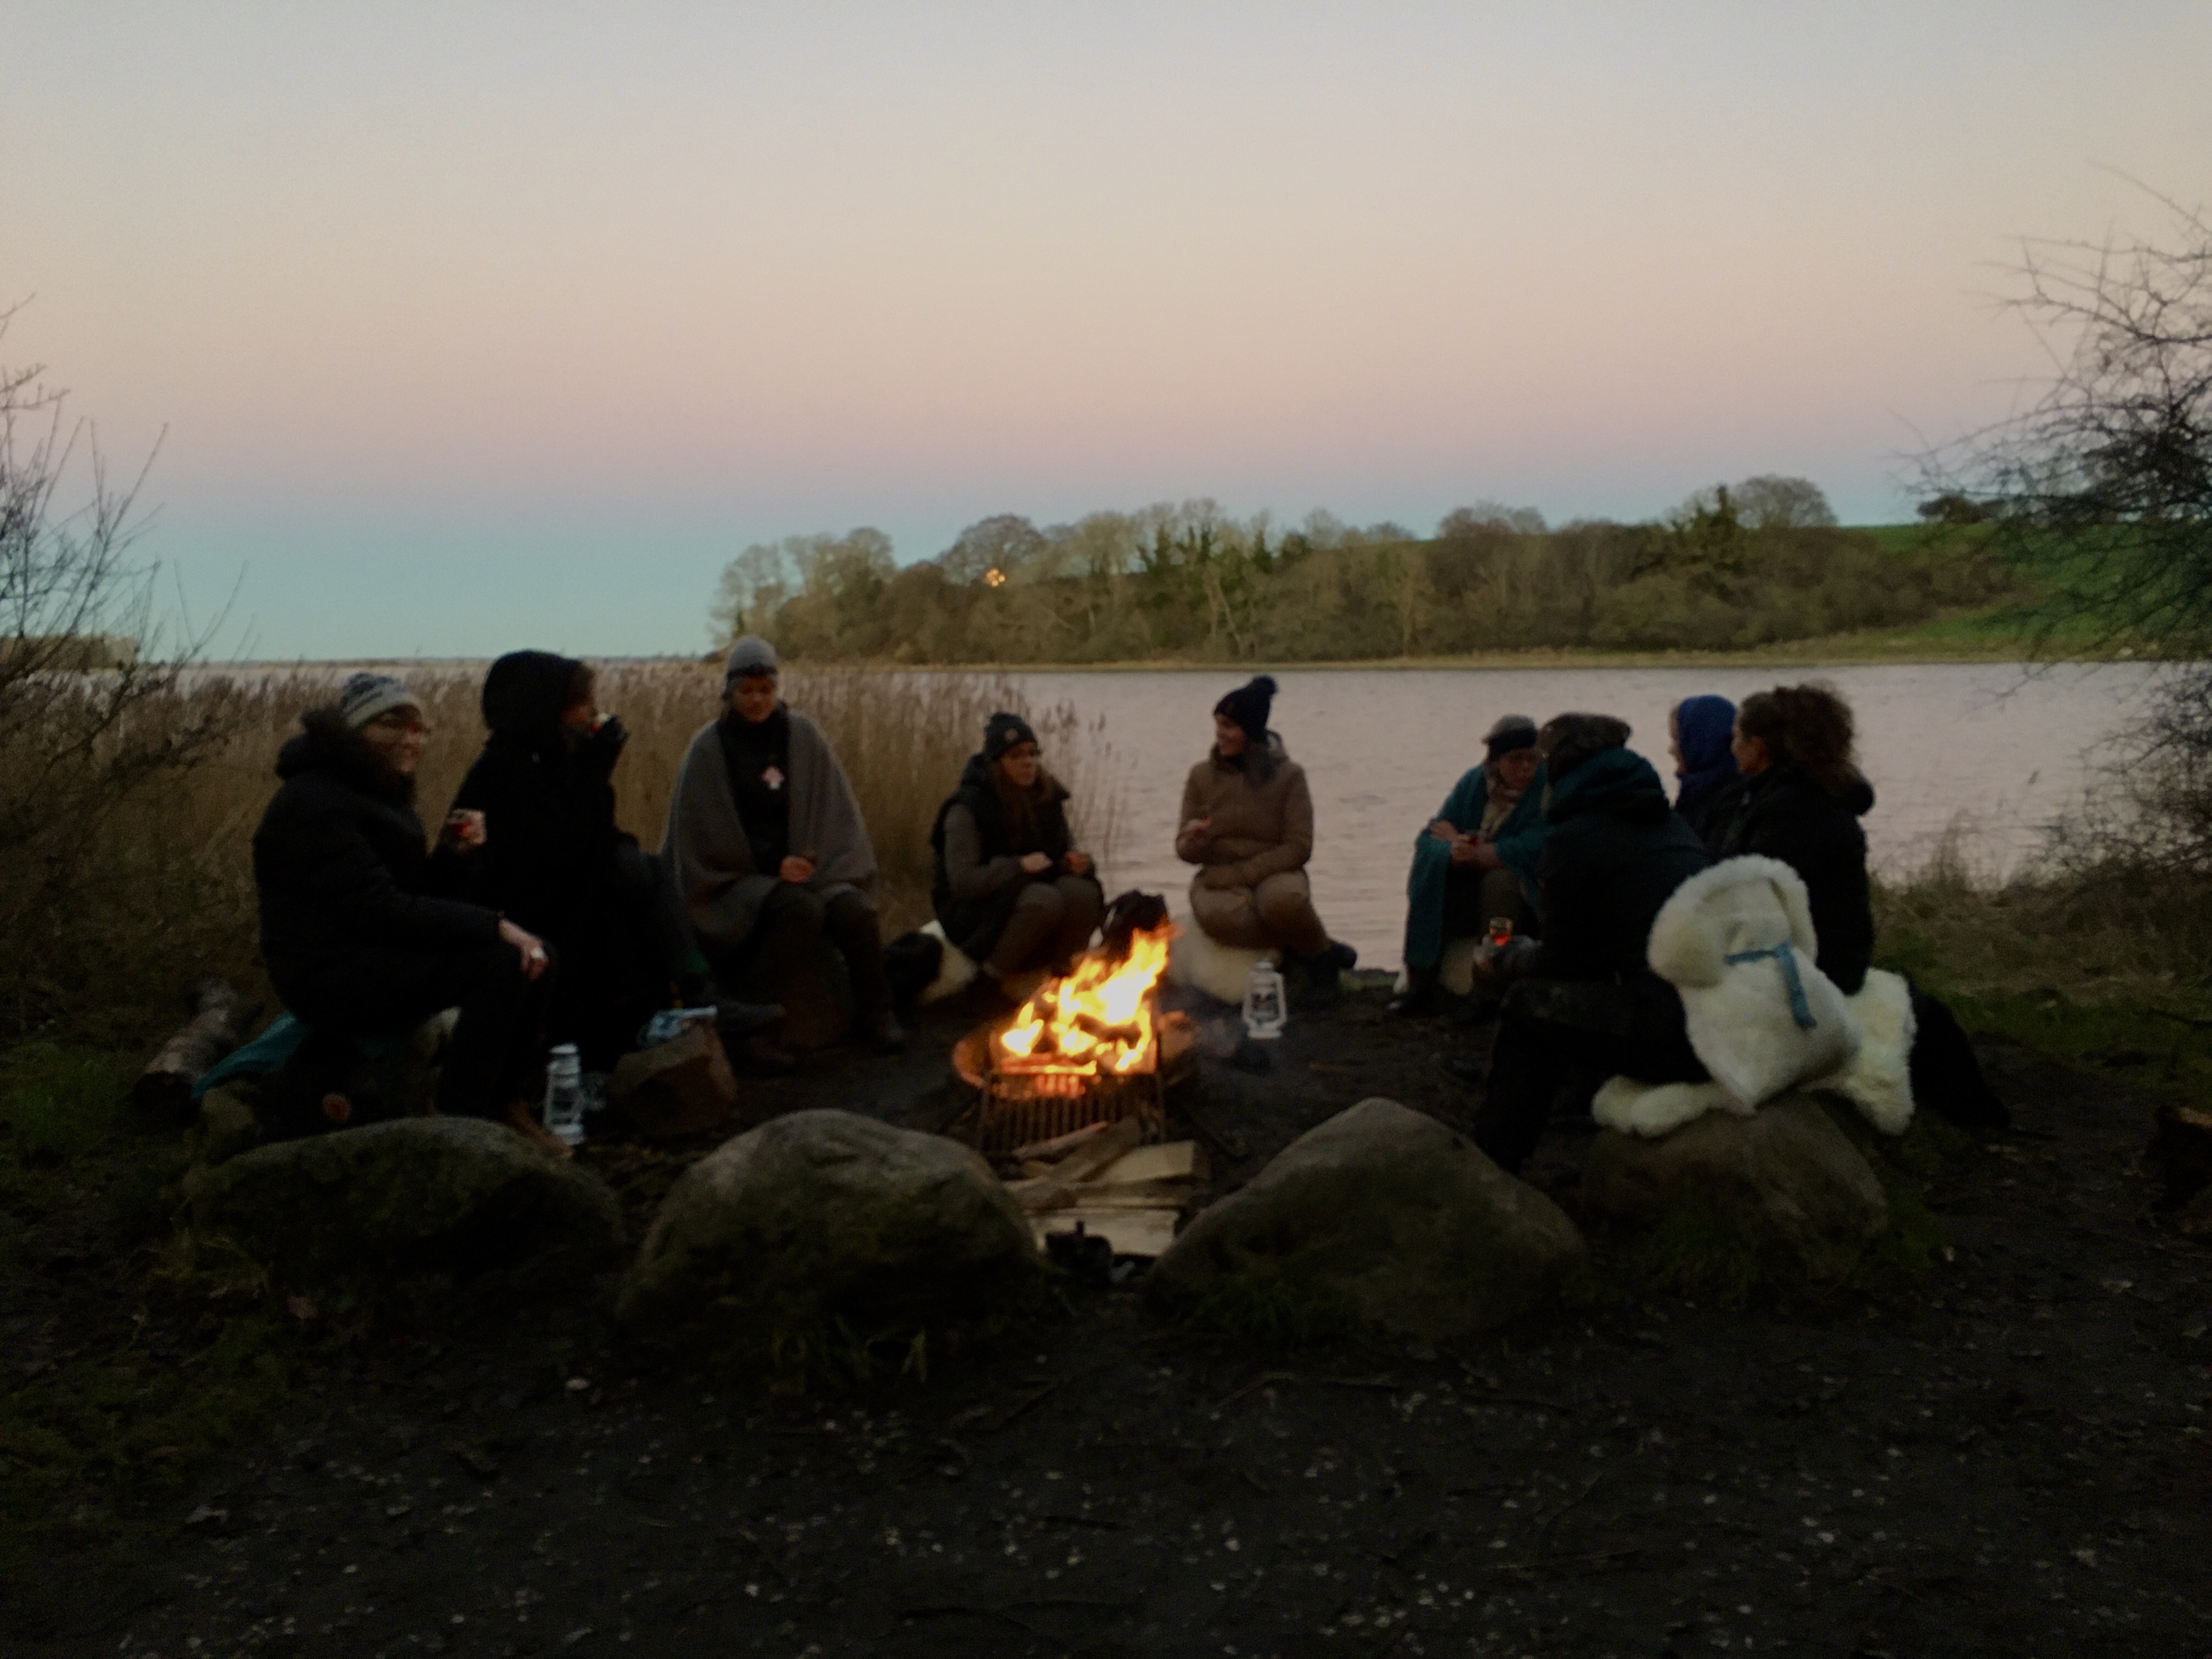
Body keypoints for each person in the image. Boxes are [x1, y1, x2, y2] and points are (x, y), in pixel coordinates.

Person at [252, 672, 562, 1152]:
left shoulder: (377, 793)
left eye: (418, 729)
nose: (410, 740)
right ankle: (463, 1117)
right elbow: (380, 910)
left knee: (537, 957)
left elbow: (409, 898)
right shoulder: (314, 804)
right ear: (352, 733)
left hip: (372, 952)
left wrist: (455, 858)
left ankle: (504, 1101)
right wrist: (495, 926)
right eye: (391, 725)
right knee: (504, 964)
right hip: (326, 974)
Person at [1714, 683, 2007, 1128]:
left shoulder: (1789, 811)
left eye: (1737, 737)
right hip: (1835, 956)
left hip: (1816, 965)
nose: (1731, 747)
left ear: (1759, 746)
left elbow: (1755, 905)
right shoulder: (1802, 796)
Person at [1466, 714, 1712, 1174]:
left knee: (1529, 1008)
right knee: (1593, 995)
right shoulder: (1671, 824)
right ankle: (1572, 1105)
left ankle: (1494, 1163)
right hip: (1715, 1019)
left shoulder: (1576, 839)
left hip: (1676, 1037)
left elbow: (1563, 964)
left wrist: (1508, 959)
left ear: (1561, 767)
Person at [446, 651, 715, 1067]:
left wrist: (595, 773)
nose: (591, 713)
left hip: (565, 888)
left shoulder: (551, 756)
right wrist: (592, 772)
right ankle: (676, 1006)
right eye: (582, 704)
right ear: (548, 708)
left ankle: (691, 996)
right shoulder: (504, 768)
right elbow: (556, 851)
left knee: (641, 872)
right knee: (627, 883)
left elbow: (594, 833)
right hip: (524, 908)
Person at [663, 636, 902, 1070]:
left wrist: (811, 859)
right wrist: (772, 864)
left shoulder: (802, 736)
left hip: (804, 869)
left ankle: (877, 1012)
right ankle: (749, 1025)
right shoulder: (709, 748)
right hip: (737, 879)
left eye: (766, 690)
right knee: (800, 911)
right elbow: (702, 836)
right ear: (730, 692)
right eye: (747, 691)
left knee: (854, 911)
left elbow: (833, 810)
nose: (757, 700)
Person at [1176, 675, 1355, 1007]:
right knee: (1223, 917)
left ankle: (1320, 967)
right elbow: (1184, 851)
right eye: (1218, 724)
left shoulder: (1290, 776)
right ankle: (1316, 950)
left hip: (1275, 870)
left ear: (1252, 730)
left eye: (1229, 726)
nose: (1219, 734)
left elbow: (1299, 846)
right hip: (1218, 878)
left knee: (1284, 903)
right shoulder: (1201, 776)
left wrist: (1242, 873)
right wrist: (1194, 841)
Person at [929, 711, 1104, 992]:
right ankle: (988, 983)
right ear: (997, 762)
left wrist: (1080, 864)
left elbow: (1063, 852)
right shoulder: (967, 808)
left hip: (1025, 897)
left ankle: (1063, 976)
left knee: (1081, 893)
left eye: (1033, 753)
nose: (1028, 762)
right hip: (973, 913)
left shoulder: (1047, 796)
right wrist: (1017, 867)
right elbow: (963, 883)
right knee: (1043, 900)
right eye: (1016, 755)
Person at [1390, 714, 1548, 1017]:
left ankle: (1489, 986)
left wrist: (1485, 852)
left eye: (1533, 759)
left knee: (1500, 886)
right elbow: (1432, 834)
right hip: (1470, 869)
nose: (1526, 768)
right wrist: (1453, 849)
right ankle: (1421, 979)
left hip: (1521, 882)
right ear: (1497, 761)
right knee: (1433, 871)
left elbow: (1540, 840)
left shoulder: (1547, 789)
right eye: (1516, 759)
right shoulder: (1474, 784)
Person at [1668, 693, 1742, 848]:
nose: (1671, 750)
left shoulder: (1731, 802)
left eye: (1677, 739)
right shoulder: (1694, 793)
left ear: (1698, 742)